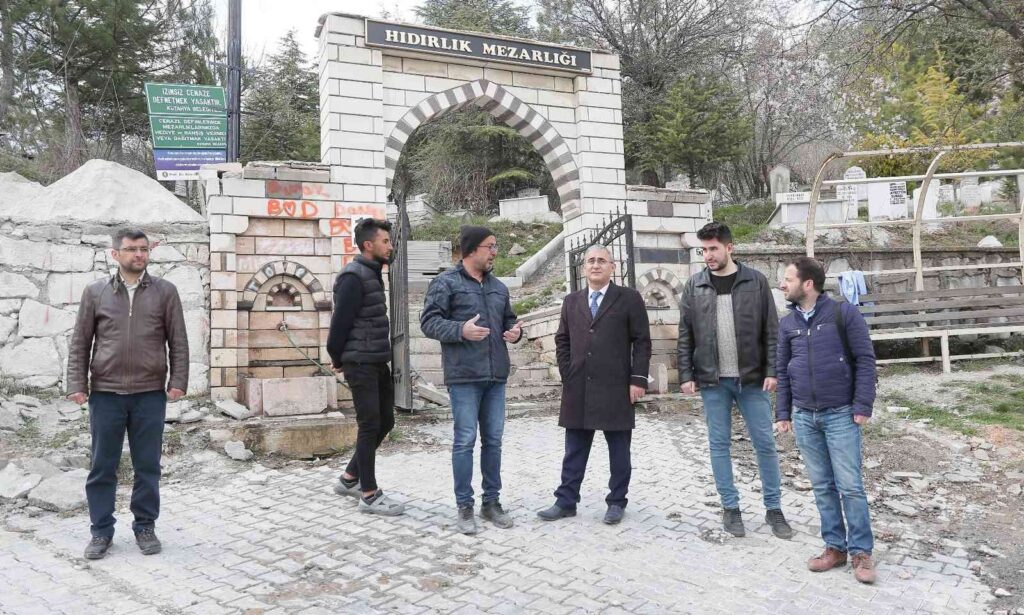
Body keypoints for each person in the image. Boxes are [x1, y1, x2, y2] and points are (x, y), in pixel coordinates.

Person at [66, 228, 188, 560]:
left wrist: (179, 379)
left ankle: (145, 527)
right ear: (115, 254)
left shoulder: (165, 292)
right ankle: (101, 531)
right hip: (106, 393)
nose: (139, 255)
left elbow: (178, 340)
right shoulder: (96, 293)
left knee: (147, 465)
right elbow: (81, 342)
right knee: (102, 465)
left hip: (149, 393)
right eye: (132, 249)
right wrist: (77, 384)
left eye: (144, 249)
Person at [676, 221, 793, 539]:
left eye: (713, 248)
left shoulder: (755, 282)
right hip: (713, 382)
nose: (708, 256)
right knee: (719, 445)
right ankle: (731, 508)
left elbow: (772, 331)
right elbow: (685, 333)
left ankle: (774, 509)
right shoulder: (695, 285)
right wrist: (685, 374)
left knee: (765, 444)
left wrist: (773, 371)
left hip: (752, 380)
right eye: (704, 250)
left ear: (730, 247)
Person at [776, 256, 878, 584]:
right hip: (805, 416)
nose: (782, 284)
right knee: (822, 486)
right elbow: (783, 370)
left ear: (808, 284)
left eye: (787, 279)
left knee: (850, 486)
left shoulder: (842, 314)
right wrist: (783, 413)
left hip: (841, 414)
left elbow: (865, 360)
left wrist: (862, 404)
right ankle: (835, 547)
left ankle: (861, 551)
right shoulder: (787, 324)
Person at [537, 245, 651, 525]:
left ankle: (616, 502)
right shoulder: (571, 301)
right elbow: (562, 340)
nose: (596, 265)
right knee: (574, 448)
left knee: (619, 450)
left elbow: (642, 341)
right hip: (579, 387)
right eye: (591, 261)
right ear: (584, 267)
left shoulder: (628, 298)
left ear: (613, 266)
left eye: (602, 260)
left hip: (617, 386)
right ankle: (566, 501)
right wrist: (567, 372)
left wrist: (638, 379)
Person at [421, 225, 522, 534]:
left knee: (493, 441)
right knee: (465, 441)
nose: (495, 252)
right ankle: (464, 506)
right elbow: (429, 322)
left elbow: (510, 320)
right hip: (464, 376)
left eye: (495, 246)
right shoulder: (445, 283)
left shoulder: (499, 287)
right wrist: (460, 330)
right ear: (471, 250)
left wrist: (516, 333)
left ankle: (491, 503)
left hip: (496, 376)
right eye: (490, 246)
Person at [326, 217, 405, 516]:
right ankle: (369, 494)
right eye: (386, 241)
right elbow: (339, 326)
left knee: (386, 421)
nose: (391, 245)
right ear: (368, 244)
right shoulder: (353, 276)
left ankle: (349, 478)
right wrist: (338, 358)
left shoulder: (372, 274)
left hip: (375, 360)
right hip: (359, 361)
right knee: (370, 424)